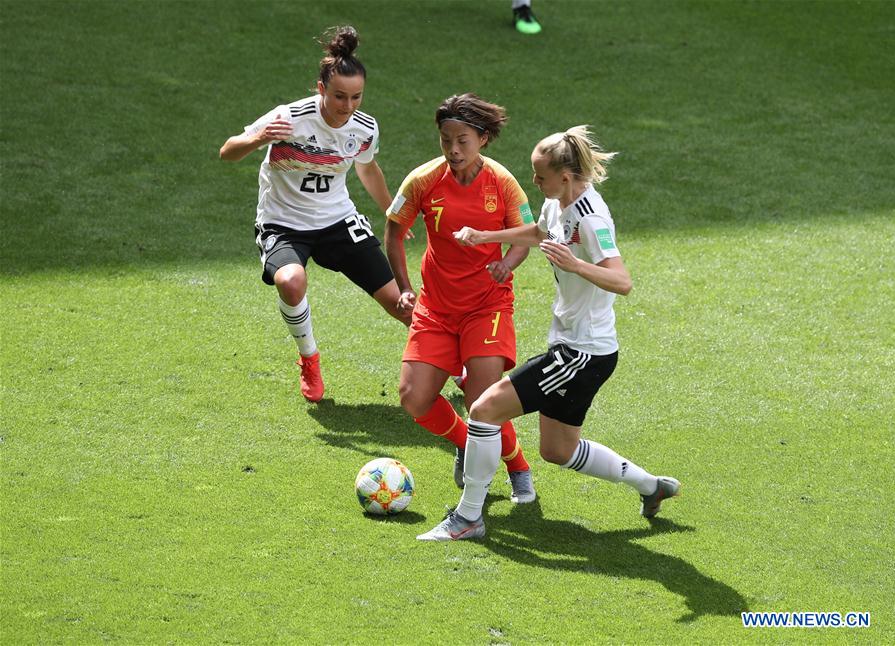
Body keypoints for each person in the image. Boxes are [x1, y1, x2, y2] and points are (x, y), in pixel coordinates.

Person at [417, 126, 680, 541]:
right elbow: (539, 234)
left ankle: (468, 518)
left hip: (581, 353)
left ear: (567, 176)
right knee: (557, 450)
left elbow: (622, 280)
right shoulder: (557, 203)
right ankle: (653, 486)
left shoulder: (591, 220)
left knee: (484, 411)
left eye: (540, 177)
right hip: (576, 347)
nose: (534, 183)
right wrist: (486, 236)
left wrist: (576, 265)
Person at [219, 26, 410, 403]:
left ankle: (456, 369)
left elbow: (367, 169)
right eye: (340, 96)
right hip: (283, 223)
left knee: (399, 302)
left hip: (336, 220)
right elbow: (227, 151)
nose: (348, 106)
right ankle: (309, 358)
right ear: (321, 89)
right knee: (291, 281)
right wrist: (258, 138)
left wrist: (391, 210)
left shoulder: (365, 127)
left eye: (356, 97)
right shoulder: (290, 118)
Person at [385, 94, 537, 503]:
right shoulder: (422, 180)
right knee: (414, 399)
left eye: (462, 141)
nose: (453, 150)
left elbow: (526, 234)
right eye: (445, 140)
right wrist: (403, 287)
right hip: (435, 308)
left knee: (483, 402)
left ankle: (518, 466)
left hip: (487, 305)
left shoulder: (503, 183)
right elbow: (394, 231)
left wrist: (508, 263)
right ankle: (465, 442)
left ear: (483, 139)